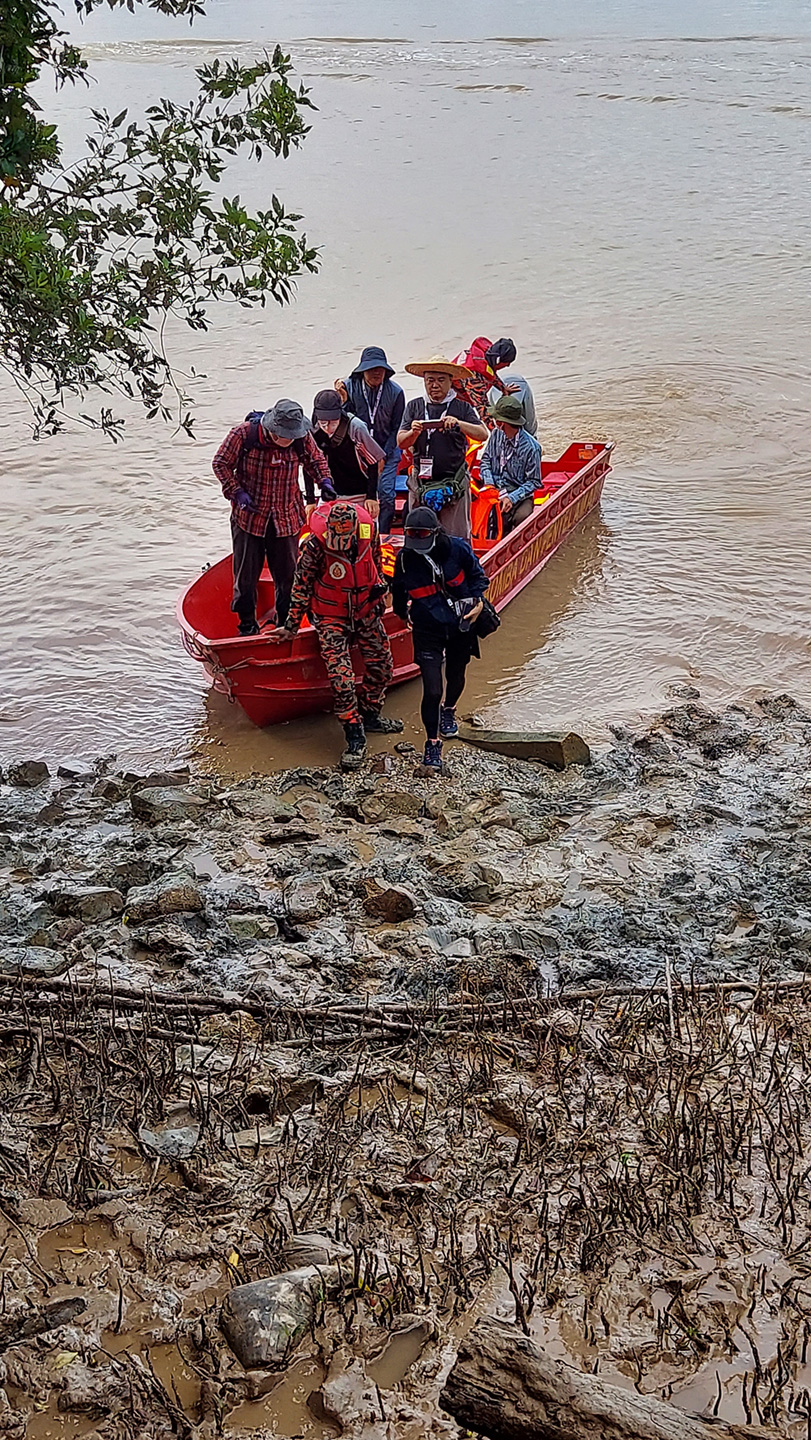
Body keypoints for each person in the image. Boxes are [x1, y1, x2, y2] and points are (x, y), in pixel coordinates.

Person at [268, 502, 403, 769]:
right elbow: (301, 585)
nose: (338, 543)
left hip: (365, 610)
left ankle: (371, 713)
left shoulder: (369, 532)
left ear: (354, 531)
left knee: (383, 666)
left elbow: (375, 561)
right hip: (331, 616)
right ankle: (354, 735)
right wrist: (291, 625)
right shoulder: (315, 546)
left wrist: (380, 594)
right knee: (341, 680)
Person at [213, 399, 332, 636]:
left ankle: (286, 625)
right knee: (245, 578)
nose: (288, 440)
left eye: (291, 435)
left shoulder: (301, 438)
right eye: (283, 435)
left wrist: (325, 481)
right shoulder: (242, 435)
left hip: (286, 517)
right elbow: (220, 464)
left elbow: (316, 460)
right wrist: (236, 491)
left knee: (288, 576)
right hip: (249, 518)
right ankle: (247, 624)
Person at [392, 506, 489, 773]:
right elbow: (398, 590)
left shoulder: (458, 549)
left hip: (461, 624)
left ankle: (450, 709)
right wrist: (402, 614)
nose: (418, 544)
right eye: (413, 537)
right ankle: (432, 742)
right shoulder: (405, 559)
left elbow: (479, 578)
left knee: (456, 676)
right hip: (427, 628)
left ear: (436, 532)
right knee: (432, 689)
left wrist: (478, 603)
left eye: (422, 536)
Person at [397, 356, 488, 542]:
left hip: (453, 480)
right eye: (430, 380)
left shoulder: (462, 406)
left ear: (450, 381)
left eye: (440, 380)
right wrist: (413, 433)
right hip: (420, 481)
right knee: (418, 533)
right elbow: (401, 442)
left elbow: (482, 434)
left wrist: (459, 424)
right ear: (424, 381)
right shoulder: (414, 406)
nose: (435, 385)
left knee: (456, 537)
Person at [335, 347, 405, 540]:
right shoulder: (348, 387)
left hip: (387, 450)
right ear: (362, 370)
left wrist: (381, 455)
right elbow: (342, 421)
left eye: (380, 369)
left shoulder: (396, 392)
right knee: (357, 497)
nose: (376, 373)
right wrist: (341, 400)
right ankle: (355, 535)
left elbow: (397, 428)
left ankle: (381, 537)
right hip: (356, 453)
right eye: (371, 368)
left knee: (387, 496)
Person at [312, 389, 385, 516]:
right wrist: (309, 500)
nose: (328, 428)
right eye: (324, 423)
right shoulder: (314, 429)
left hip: (359, 492)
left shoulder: (356, 427)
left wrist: (371, 497)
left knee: (367, 529)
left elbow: (373, 462)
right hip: (330, 492)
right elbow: (309, 463)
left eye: (333, 423)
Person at [479, 394, 542, 530]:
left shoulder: (532, 448)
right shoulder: (496, 434)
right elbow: (485, 461)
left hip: (519, 495)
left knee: (522, 518)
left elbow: (534, 482)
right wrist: (489, 483)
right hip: (494, 490)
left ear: (501, 423)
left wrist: (512, 498)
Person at [485, 338, 538, 436]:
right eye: (507, 362)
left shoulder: (487, 358)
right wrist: (496, 436)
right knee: (500, 431)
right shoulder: (476, 380)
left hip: (515, 388)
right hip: (496, 391)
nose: (508, 365)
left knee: (529, 432)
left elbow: (530, 425)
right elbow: (482, 409)